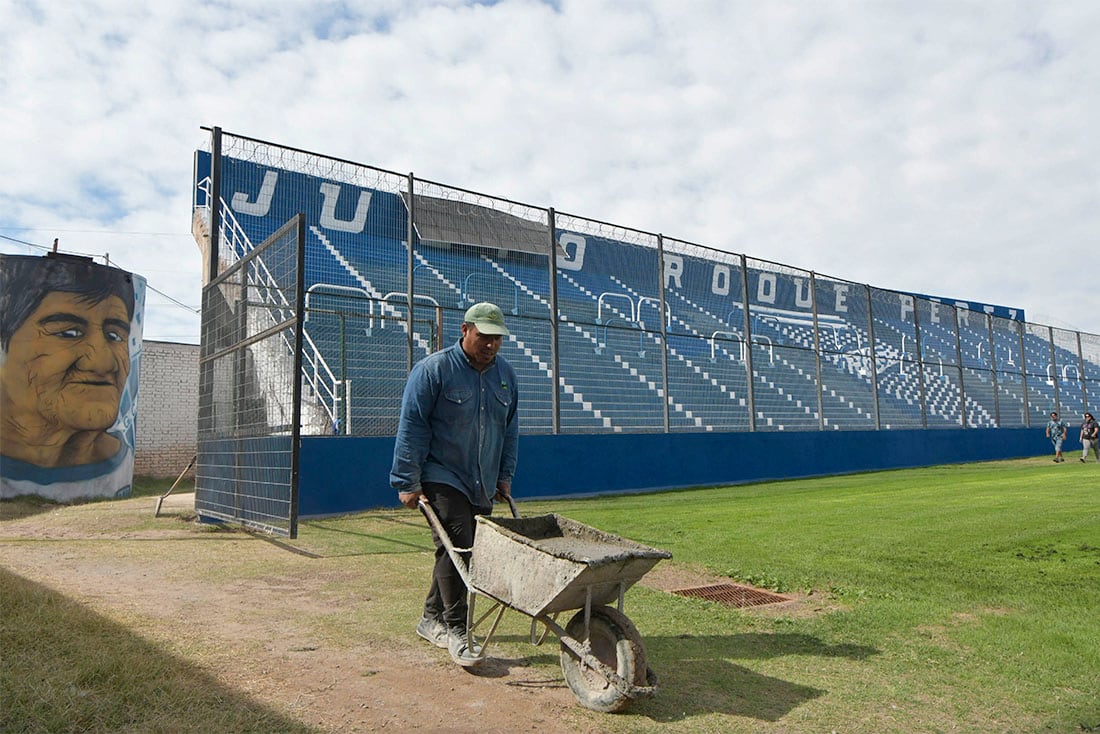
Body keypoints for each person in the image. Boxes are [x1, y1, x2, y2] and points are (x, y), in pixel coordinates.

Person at [389, 302, 519, 667]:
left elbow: (510, 430)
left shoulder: (506, 375)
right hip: (441, 475)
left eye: (497, 339)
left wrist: (504, 476)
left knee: (455, 548)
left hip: (482, 479)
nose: (490, 345)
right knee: (461, 544)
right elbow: (412, 426)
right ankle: (458, 630)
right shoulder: (433, 370)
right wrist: (407, 481)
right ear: (465, 330)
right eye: (483, 336)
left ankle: (431, 619)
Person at [0, 254, 136, 501]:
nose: (102, 362)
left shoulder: (122, 460)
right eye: (69, 333)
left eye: (115, 336)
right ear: (4, 346)